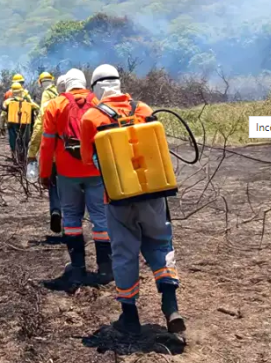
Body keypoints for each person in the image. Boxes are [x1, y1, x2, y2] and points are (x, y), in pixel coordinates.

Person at [79, 64, 184, 337]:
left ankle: (130, 318)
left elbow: (87, 162)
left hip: (117, 199)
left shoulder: (91, 117)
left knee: (125, 254)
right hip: (153, 194)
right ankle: (171, 307)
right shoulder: (144, 110)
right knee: (160, 245)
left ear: (96, 89)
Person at [38, 68, 111, 292]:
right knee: (100, 217)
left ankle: (78, 267)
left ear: (66, 84)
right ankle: (106, 268)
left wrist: (44, 173)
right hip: (96, 171)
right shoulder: (98, 102)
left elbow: (47, 142)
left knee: (71, 217)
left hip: (66, 172)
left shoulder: (55, 105)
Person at [28, 72, 63, 233]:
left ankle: (56, 210)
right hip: (76, 155)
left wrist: (32, 152)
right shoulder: (72, 99)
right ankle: (71, 221)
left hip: (54, 153)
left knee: (54, 184)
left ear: (41, 83)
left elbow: (39, 127)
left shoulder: (47, 102)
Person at [1, 82, 39, 163]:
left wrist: (2, 127)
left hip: (12, 125)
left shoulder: (7, 102)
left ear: (12, 92)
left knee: (13, 142)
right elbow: (37, 107)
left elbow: (2, 114)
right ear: (21, 91)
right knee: (25, 141)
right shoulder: (28, 103)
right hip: (25, 125)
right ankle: (25, 158)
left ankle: (15, 158)